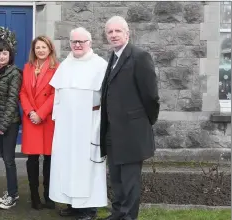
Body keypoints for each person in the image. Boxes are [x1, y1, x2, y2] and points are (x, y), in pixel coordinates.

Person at [99, 16, 160, 220]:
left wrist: (145, 121)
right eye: (110, 32)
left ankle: (128, 217)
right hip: (113, 133)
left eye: (118, 31)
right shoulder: (113, 57)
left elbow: (151, 96)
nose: (114, 35)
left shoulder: (139, 56)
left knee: (130, 181)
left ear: (127, 33)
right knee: (116, 179)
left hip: (132, 133)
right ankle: (117, 213)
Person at [49, 27, 108, 220]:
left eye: (81, 42)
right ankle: (72, 204)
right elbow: (58, 94)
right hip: (67, 126)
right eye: (74, 42)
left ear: (89, 43)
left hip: (89, 124)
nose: (77, 45)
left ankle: (88, 209)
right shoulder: (66, 64)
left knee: (86, 166)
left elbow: (105, 99)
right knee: (67, 164)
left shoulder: (100, 65)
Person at [19, 35, 59, 210]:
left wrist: (41, 113)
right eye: (37, 47)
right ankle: (34, 195)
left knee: (50, 159)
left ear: (50, 49)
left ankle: (49, 195)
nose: (40, 50)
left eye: (44, 47)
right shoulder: (27, 67)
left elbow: (55, 93)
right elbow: (23, 93)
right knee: (32, 159)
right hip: (31, 119)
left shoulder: (57, 68)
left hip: (48, 118)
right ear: (33, 50)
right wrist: (30, 112)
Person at [0, 42, 22, 210]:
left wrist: (3, 125)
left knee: (9, 160)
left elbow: (12, 101)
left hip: (9, 123)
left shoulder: (14, 73)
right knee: (5, 159)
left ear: (10, 56)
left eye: (5, 53)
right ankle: (11, 191)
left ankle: (12, 195)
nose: (1, 56)